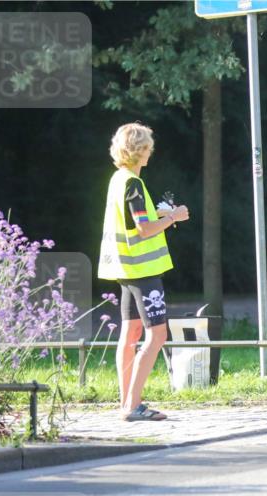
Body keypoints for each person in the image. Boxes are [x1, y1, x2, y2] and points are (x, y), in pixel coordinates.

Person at [97, 123, 190, 421]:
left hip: (124, 268)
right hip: (144, 270)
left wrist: (160, 214)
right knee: (157, 335)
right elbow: (144, 229)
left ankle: (125, 401)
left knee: (130, 334)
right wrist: (174, 216)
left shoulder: (118, 179)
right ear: (138, 151)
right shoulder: (134, 184)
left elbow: (134, 220)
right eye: (148, 148)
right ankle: (134, 405)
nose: (151, 152)